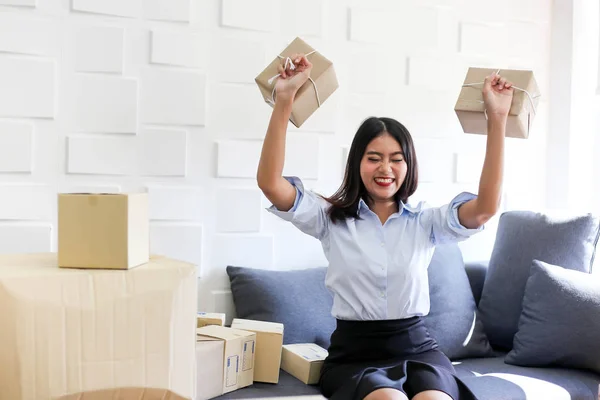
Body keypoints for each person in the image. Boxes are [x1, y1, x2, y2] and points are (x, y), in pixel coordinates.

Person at [257, 53, 513, 400]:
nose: (385, 169)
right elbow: (271, 183)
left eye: (396, 159)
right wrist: (285, 99)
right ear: (357, 163)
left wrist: (497, 118)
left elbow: (484, 209)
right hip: (355, 355)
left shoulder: (425, 222)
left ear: (409, 165)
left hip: (418, 348)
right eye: (374, 158)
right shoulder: (329, 218)